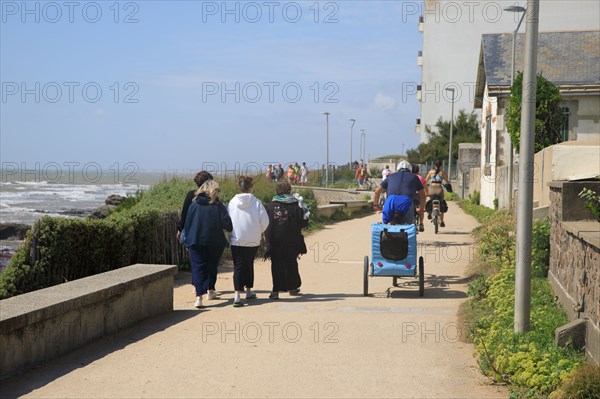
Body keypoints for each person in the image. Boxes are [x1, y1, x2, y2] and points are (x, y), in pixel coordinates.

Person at [180, 180, 232, 308]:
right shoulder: (217, 205)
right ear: (213, 191)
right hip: (215, 241)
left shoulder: (193, 205)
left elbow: (187, 224)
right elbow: (227, 224)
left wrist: (187, 238)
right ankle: (210, 290)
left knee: (198, 267)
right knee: (211, 266)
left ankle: (199, 297)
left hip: (195, 240)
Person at [227, 176, 269, 307]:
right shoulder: (257, 202)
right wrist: (258, 231)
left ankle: (237, 296)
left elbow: (228, 221)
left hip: (237, 240)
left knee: (238, 266)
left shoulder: (232, 202)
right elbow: (265, 221)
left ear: (239, 187)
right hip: (253, 240)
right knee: (249, 263)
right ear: (251, 187)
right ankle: (249, 290)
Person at [264, 181, 309, 299]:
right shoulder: (296, 205)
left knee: (276, 265)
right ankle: (293, 287)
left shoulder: (270, 206)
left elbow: (265, 224)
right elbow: (304, 223)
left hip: (275, 241)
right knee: (291, 263)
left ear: (277, 191)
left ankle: (276, 291)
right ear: (289, 190)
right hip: (292, 241)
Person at [374, 160, 425, 225]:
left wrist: (376, 206)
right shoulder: (414, 177)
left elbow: (377, 192)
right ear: (410, 170)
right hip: (407, 202)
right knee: (408, 227)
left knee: (386, 225)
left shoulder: (390, 176)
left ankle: (387, 228)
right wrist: (421, 209)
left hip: (391, 201)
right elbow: (423, 195)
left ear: (398, 169)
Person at [424, 160, 450, 227]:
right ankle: (441, 222)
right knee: (441, 204)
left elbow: (425, 181)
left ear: (434, 165)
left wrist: (426, 186)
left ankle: (429, 212)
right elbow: (447, 181)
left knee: (429, 201)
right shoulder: (442, 173)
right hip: (439, 190)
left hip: (431, 189)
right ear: (441, 165)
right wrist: (446, 184)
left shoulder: (430, 172)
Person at [412, 164, 428, 232]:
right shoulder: (421, 178)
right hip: (419, 196)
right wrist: (427, 194)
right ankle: (421, 223)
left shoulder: (409, 177)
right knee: (421, 209)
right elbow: (426, 188)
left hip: (411, 196)